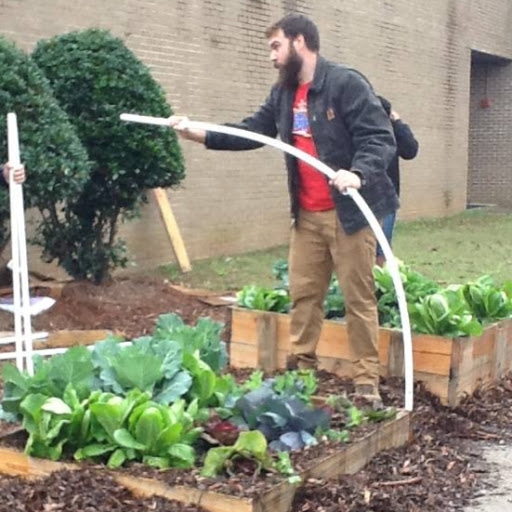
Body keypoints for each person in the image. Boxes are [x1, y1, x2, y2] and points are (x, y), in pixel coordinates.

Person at [169, 13, 398, 406]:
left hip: (350, 214)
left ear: (300, 42)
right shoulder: (283, 94)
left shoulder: (345, 84)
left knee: (357, 298)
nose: (271, 55)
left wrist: (357, 173)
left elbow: (379, 137)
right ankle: (301, 371)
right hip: (307, 216)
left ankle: (366, 381)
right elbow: (252, 131)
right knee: (304, 294)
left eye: (276, 46)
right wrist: (198, 132)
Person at [375, 96, 419, 267]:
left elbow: (410, 150)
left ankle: (381, 283)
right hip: (360, 196)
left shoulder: (391, 132)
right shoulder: (356, 130)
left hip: (386, 197)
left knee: (382, 246)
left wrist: (398, 122)